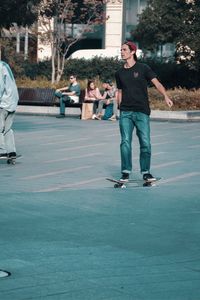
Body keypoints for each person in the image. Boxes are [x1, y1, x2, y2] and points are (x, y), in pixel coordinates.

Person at [115, 41, 173, 182]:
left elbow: (157, 83)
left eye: (124, 50)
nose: (121, 52)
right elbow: (120, 91)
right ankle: (125, 171)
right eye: (121, 50)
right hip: (126, 112)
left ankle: (145, 171)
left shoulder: (143, 68)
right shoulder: (119, 73)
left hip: (141, 111)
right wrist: (119, 107)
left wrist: (165, 96)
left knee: (145, 143)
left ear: (132, 51)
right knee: (125, 142)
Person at [0, 60, 19, 159]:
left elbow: (0, 86)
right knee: (7, 129)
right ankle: (11, 152)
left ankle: (2, 150)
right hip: (13, 102)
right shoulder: (5, 65)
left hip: (4, 102)